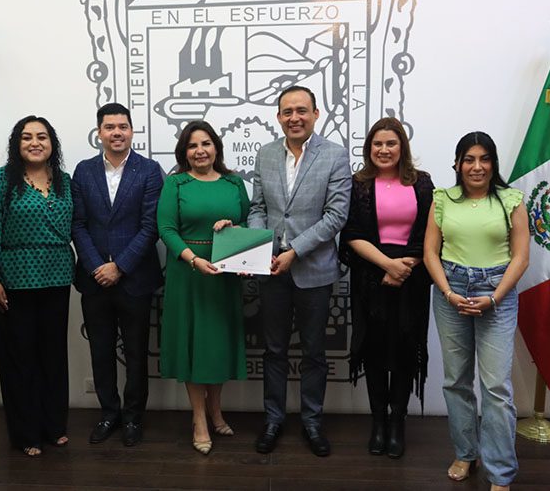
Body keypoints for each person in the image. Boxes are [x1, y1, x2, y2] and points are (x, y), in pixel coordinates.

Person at [248, 85, 351, 457]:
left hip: (314, 271)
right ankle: (273, 420)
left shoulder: (335, 155)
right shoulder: (265, 154)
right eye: (287, 111)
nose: (295, 117)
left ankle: (312, 422)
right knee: (274, 350)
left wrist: (295, 251)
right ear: (278, 117)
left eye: (302, 110)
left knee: (314, 352)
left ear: (315, 114)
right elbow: (258, 208)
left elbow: (336, 215)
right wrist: (262, 248)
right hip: (272, 270)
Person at [423, 132, 529, 491]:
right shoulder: (443, 199)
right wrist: (448, 293)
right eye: (469, 159)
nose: (477, 166)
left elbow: (521, 257)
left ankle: (500, 470)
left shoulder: (511, 200)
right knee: (456, 380)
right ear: (457, 164)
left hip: (497, 293)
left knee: (496, 386)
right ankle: (466, 453)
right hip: (451, 291)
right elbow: (430, 253)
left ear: (493, 164)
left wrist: (495, 298)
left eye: (484, 159)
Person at [339, 117, 434, 459]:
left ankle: (398, 422)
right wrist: (387, 265)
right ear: (368, 149)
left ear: (402, 147)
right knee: (374, 351)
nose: (383, 150)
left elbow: (431, 232)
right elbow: (351, 234)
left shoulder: (422, 182)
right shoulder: (358, 184)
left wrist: (404, 266)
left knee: (406, 350)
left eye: (391, 143)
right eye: (377, 144)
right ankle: (378, 422)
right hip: (371, 278)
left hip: (412, 277)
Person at [0, 115, 74, 457]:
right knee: (20, 358)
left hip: (57, 277)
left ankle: (54, 426)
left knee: (53, 355)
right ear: (16, 144)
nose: (35, 143)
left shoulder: (64, 181)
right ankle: (26, 433)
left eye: (42, 136)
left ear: (52, 143)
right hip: (13, 280)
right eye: (27, 137)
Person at [72, 103, 164, 447]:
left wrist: (119, 266)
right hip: (94, 278)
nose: (116, 132)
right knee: (100, 351)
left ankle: (133, 417)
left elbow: (150, 226)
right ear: (99, 132)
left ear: (131, 131)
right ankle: (108, 413)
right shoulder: (83, 171)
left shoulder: (149, 170)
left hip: (135, 278)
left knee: (137, 353)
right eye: (109, 127)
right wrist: (98, 266)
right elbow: (78, 224)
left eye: (123, 126)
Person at [157, 120, 249, 455]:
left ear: (216, 148)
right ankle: (199, 418)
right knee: (194, 348)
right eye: (193, 145)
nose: (200, 151)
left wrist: (233, 229)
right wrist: (193, 260)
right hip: (189, 274)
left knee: (217, 346)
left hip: (224, 275)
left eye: (206, 143)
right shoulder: (175, 184)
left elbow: (248, 223)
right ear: (184, 152)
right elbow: (166, 229)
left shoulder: (234, 182)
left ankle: (216, 410)